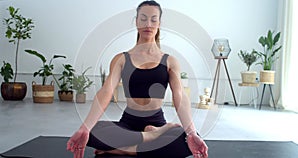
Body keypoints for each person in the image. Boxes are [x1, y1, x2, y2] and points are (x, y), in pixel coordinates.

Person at [67, 1, 208, 158]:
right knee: (92, 131)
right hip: (128, 123)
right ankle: (152, 137)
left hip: (157, 121)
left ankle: (124, 150)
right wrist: (84, 128)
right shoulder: (121, 59)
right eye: (143, 18)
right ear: (136, 21)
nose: (148, 24)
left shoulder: (170, 61)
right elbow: (106, 91)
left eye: (153, 19)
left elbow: (180, 96)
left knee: (188, 139)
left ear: (159, 23)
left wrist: (191, 132)